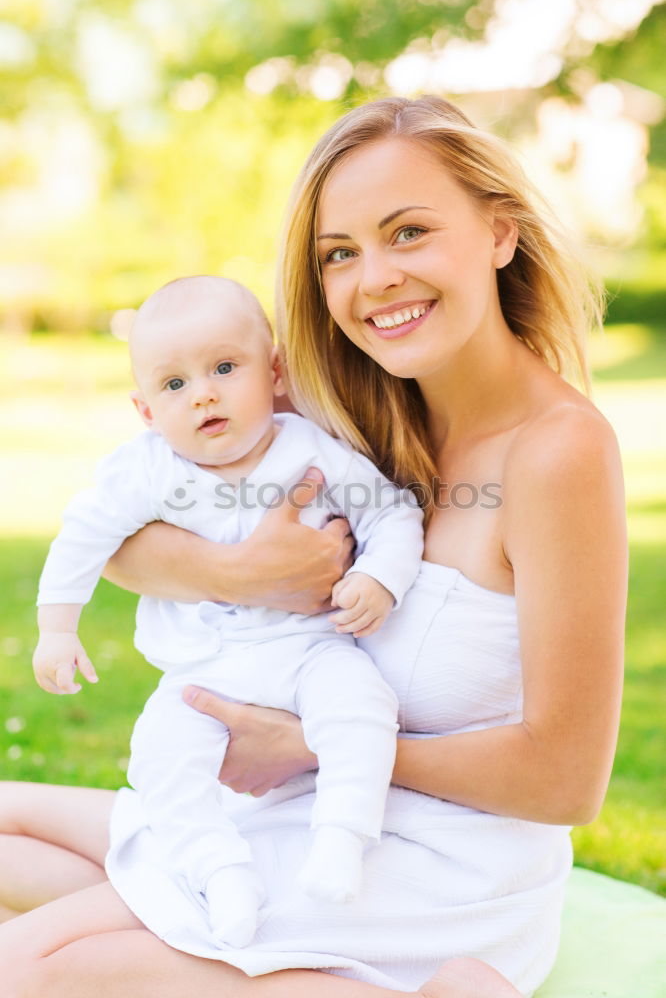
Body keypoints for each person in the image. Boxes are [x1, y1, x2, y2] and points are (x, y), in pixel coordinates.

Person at [0, 95, 627, 998]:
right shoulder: (345, 411)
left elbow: (567, 782)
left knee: (30, 967)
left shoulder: (557, 452)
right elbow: (122, 536)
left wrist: (312, 746)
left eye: (408, 233)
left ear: (500, 232)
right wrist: (236, 571)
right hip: (298, 811)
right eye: (341, 254)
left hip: (440, 864)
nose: (374, 280)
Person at [32, 274, 422, 947]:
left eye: (223, 368)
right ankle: (220, 870)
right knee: (160, 762)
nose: (203, 392)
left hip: (310, 649)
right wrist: (56, 628)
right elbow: (84, 536)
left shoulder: (310, 450)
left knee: (360, 706)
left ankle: (342, 834)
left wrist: (380, 578)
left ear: (272, 373)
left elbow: (393, 512)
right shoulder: (147, 470)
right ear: (147, 410)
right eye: (174, 384)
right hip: (201, 673)